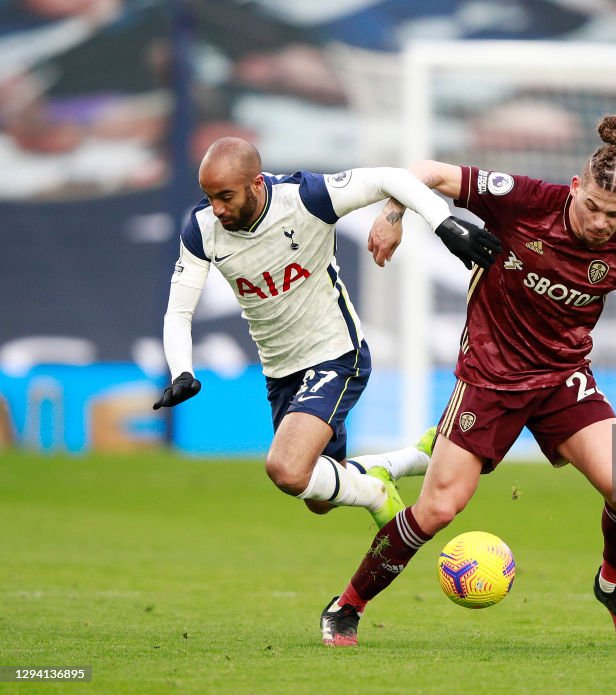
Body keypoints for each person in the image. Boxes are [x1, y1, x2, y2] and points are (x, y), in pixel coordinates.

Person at [321, 115, 616, 649]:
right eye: (592, 206)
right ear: (576, 187)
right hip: (490, 378)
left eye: (614, 213)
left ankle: (612, 586)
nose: (600, 222)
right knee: (437, 509)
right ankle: (347, 606)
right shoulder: (523, 200)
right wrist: (394, 215)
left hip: (563, 380)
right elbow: (426, 171)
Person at [153, 137, 501, 529]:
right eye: (209, 196)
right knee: (318, 494)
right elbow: (178, 312)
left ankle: (376, 494)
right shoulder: (202, 229)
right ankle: (407, 461)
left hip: (335, 354)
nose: (216, 208)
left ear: (256, 184)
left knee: (286, 469)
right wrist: (182, 370)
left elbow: (390, 178)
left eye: (225, 196)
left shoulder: (306, 198)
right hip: (281, 371)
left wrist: (444, 223)